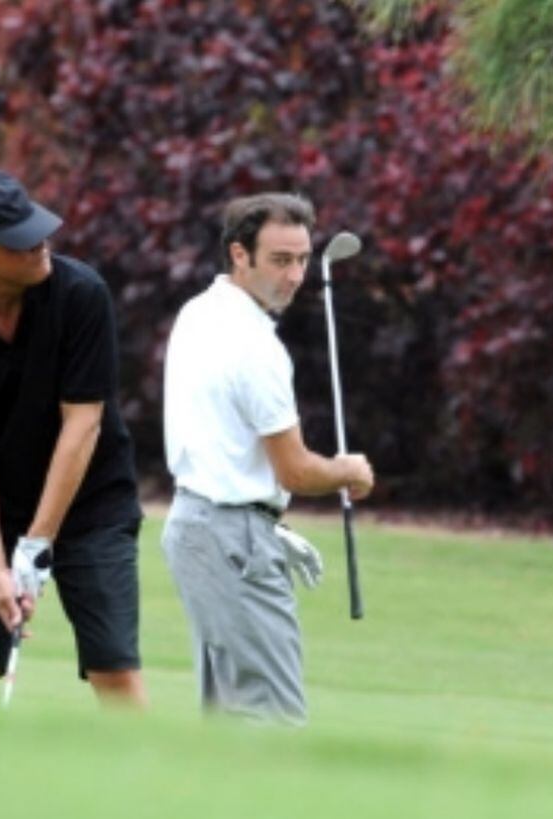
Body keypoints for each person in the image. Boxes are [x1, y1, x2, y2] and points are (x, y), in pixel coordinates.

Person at [0, 168, 146, 705]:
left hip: (91, 506)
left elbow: (82, 427)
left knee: (115, 669)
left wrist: (37, 545)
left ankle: (147, 786)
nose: (41, 243)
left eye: (37, 228)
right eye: (18, 241)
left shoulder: (82, 295)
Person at [160, 192, 375, 724]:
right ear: (240, 254)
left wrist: (264, 523)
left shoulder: (198, 312)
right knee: (274, 720)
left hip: (196, 526)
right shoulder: (256, 348)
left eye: (302, 259)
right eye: (280, 260)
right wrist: (349, 471)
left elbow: (228, 448)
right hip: (231, 538)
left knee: (230, 720)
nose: (296, 275)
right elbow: (297, 470)